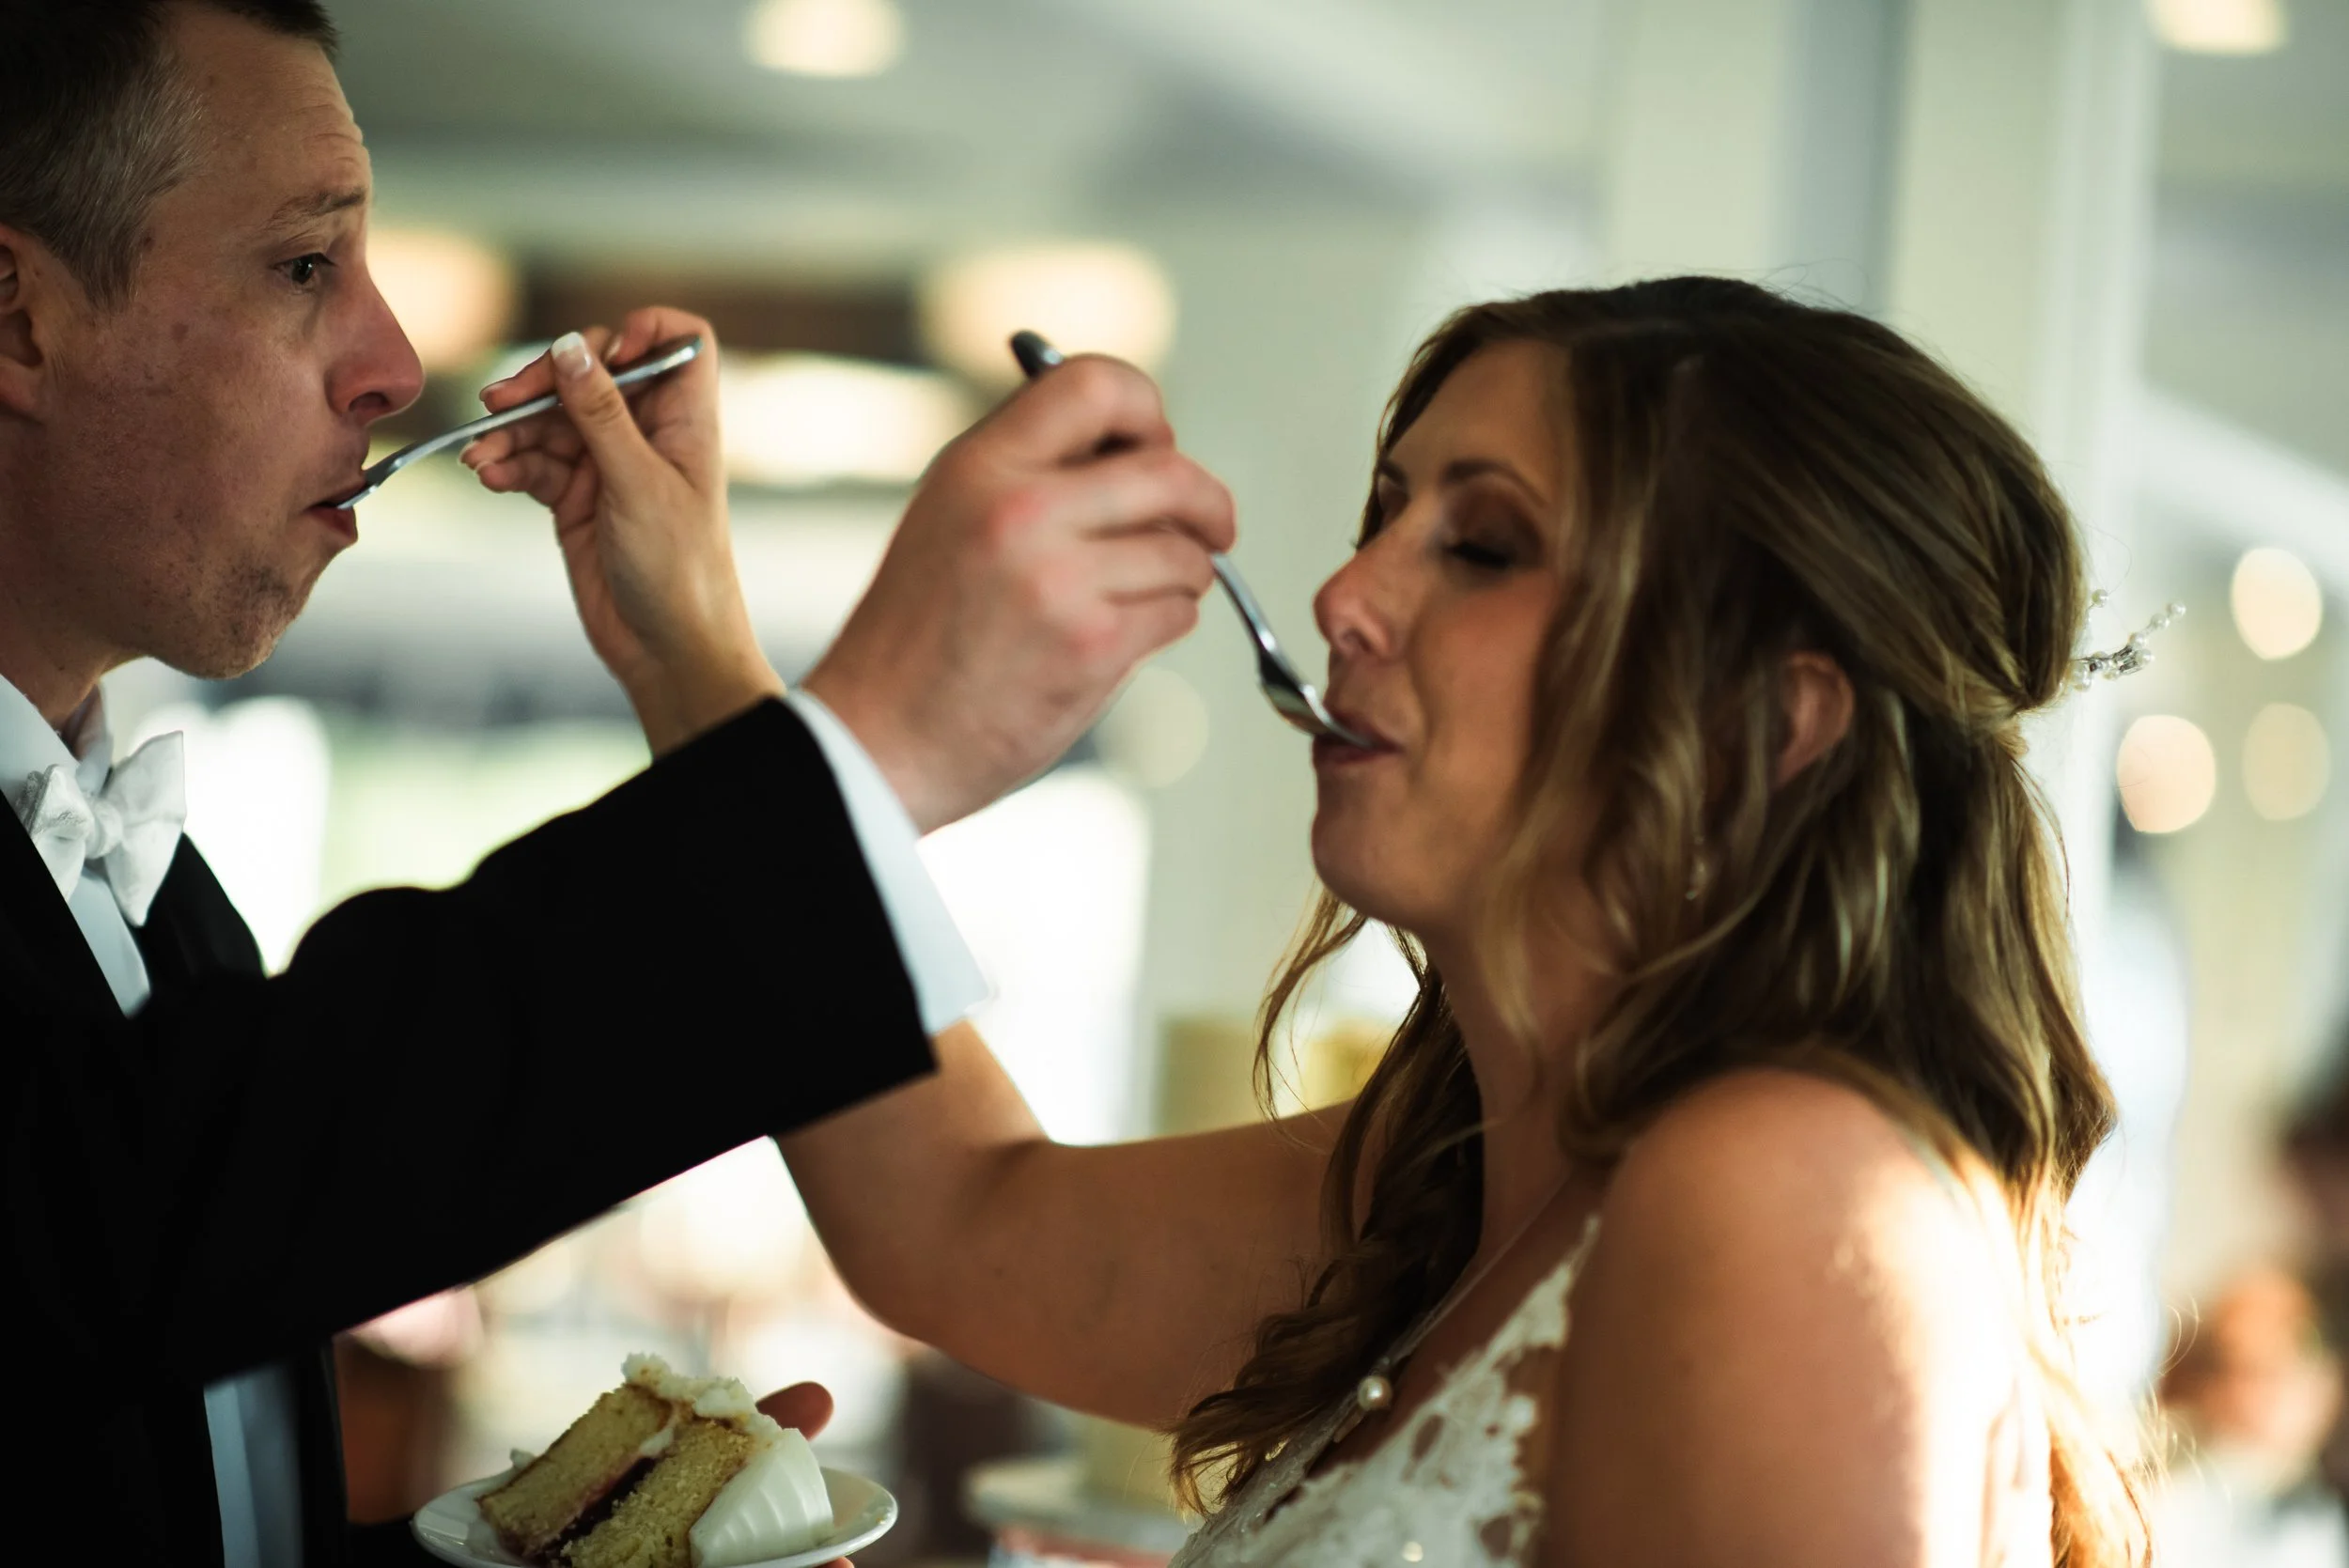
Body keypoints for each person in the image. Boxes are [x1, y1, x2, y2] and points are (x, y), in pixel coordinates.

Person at [0, 2, 1230, 1564]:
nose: (391, 363)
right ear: (18, 318)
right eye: (307, 265)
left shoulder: (155, 900)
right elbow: (127, 1206)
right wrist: (863, 746)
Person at [774, 281, 2158, 1565]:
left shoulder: (1781, 1190)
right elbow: (956, 1219)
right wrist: (691, 641)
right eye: (1384, 516)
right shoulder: (1459, 1183)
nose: (1343, 595)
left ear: (1758, 730)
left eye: (1483, 546)